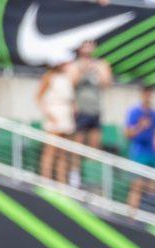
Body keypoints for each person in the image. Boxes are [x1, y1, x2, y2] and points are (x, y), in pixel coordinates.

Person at [70, 41, 111, 182]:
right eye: (85, 46)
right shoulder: (75, 65)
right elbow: (72, 82)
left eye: (90, 45)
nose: (88, 49)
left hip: (95, 110)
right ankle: (75, 176)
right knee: (78, 145)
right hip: (81, 110)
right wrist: (83, 70)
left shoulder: (100, 64)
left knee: (95, 146)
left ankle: (92, 177)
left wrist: (96, 69)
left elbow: (106, 83)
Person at [36, 58, 75, 184]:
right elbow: (38, 97)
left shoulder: (68, 77)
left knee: (63, 153)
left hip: (66, 116)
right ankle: (45, 180)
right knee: (51, 150)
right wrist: (49, 115)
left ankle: (62, 182)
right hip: (55, 114)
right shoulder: (49, 76)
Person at [125, 85, 155, 210]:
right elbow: (128, 134)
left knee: (153, 188)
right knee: (137, 186)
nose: (148, 97)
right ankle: (131, 216)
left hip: (151, 154)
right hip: (138, 153)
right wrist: (140, 125)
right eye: (146, 93)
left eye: (150, 94)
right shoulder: (134, 112)